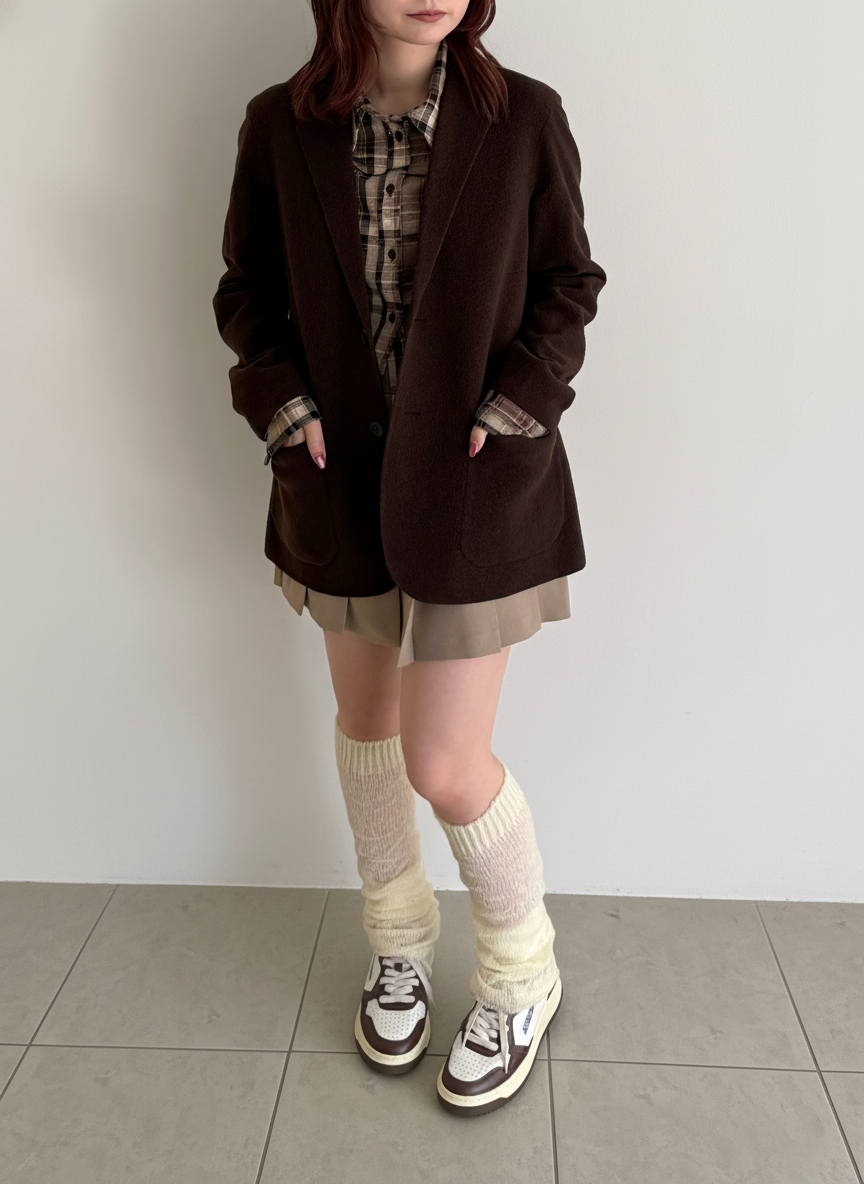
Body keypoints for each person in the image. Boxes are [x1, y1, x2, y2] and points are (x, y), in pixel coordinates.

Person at [213, 0, 606, 1117]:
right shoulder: (279, 125)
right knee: (368, 729)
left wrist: (518, 402)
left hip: (478, 487)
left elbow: (569, 281)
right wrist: (283, 404)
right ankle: (399, 942)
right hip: (337, 480)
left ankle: (522, 973)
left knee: (444, 760)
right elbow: (246, 290)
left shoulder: (523, 116)